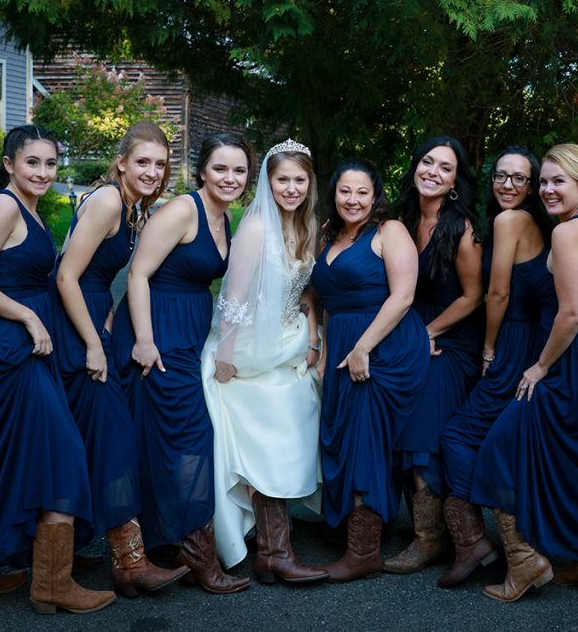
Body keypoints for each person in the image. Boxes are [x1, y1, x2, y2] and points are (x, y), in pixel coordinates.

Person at [0, 125, 114, 614]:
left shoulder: (34, 209)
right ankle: (50, 583)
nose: (43, 172)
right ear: (9, 164)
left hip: (19, 344)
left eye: (50, 163)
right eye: (33, 163)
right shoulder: (3, 206)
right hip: (1, 346)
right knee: (59, 450)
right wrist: (26, 315)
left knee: (2, 459)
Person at [470, 143, 578, 602]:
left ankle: (523, 562)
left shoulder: (566, 235)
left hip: (576, 357)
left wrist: (539, 366)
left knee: (502, 443)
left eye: (558, 181)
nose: (546, 189)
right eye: (543, 181)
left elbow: (571, 314)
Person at [111, 132, 254, 595]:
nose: (229, 178)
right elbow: (138, 273)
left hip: (190, 332)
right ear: (201, 172)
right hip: (159, 333)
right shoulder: (182, 210)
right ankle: (200, 557)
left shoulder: (224, 217)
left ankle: (158, 544)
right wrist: (145, 341)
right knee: (191, 436)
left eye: (238, 170)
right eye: (220, 168)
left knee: (160, 437)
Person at [52, 121, 189, 596]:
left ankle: (97, 554)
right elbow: (66, 275)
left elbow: (100, 274)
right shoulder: (110, 200)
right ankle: (128, 560)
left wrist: (108, 316)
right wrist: (93, 341)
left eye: (160, 163)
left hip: (91, 317)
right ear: (122, 162)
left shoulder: (135, 207)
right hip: (72, 325)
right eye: (143, 162)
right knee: (110, 433)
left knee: (98, 435)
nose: (152, 171)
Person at [200, 139, 325, 584]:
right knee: (264, 436)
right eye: (282, 179)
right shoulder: (255, 228)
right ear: (267, 183)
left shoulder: (307, 226)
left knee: (295, 428)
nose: (290, 188)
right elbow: (233, 298)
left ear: (309, 184)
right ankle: (275, 551)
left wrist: (312, 335)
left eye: (299, 180)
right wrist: (227, 358)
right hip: (248, 346)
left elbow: (305, 288)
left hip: (289, 340)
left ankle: (276, 546)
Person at [437, 146, 553, 588]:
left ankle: (512, 550)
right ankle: (500, 545)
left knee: (459, 434)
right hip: (532, 341)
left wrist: (488, 350)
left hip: (514, 344)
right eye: (500, 176)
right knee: (496, 438)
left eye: (519, 178)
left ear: (532, 184)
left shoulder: (509, 221)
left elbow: (498, 295)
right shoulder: (537, 223)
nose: (507, 185)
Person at [310, 159, 430, 582]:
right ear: (334, 193)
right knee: (341, 432)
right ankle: (351, 527)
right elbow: (324, 300)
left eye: (362, 192)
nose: (353, 199)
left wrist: (363, 348)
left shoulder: (389, 231)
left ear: (374, 194)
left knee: (363, 435)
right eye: (345, 191)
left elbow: (403, 296)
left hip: (384, 345)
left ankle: (364, 551)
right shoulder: (328, 234)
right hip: (344, 343)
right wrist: (325, 352)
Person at [385, 136, 483, 574]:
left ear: (455, 180)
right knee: (396, 415)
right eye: (427, 162)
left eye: (445, 168)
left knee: (424, 423)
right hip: (410, 332)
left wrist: (426, 332)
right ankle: (437, 532)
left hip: (451, 337)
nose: (433, 172)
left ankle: (433, 540)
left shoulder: (460, 227)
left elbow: (474, 295)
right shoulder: (400, 219)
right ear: (415, 166)